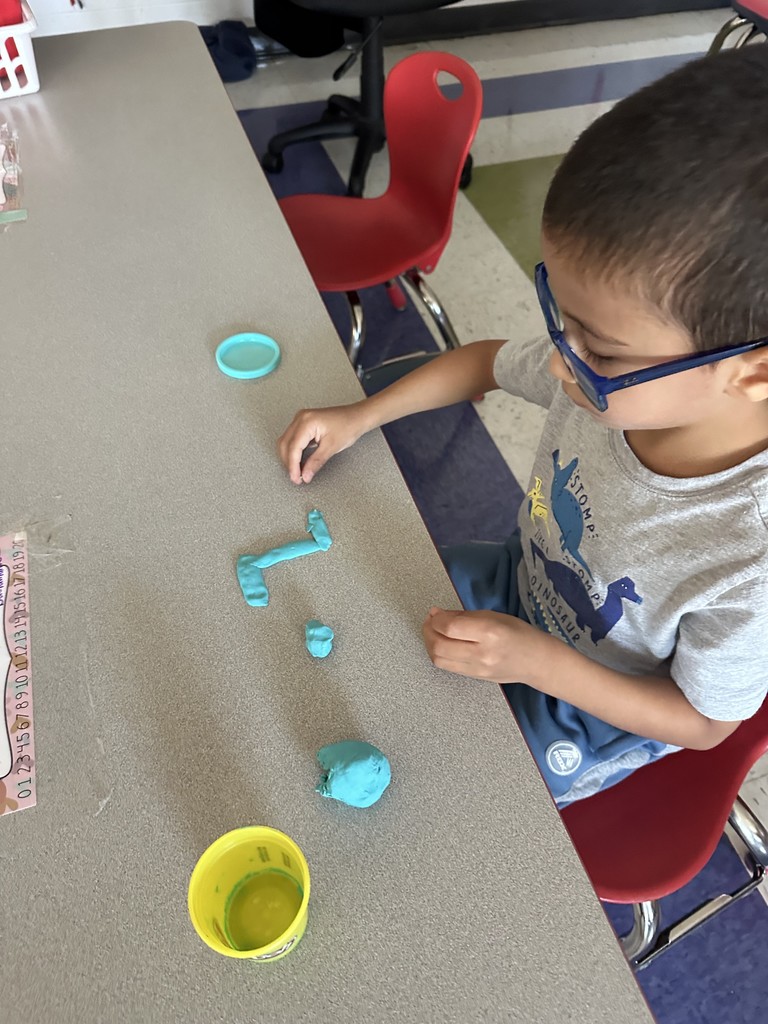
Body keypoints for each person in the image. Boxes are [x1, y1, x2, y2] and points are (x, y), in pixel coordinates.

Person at [277, 45, 768, 805]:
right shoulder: (602, 376)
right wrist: (360, 415)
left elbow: (703, 723)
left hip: (593, 706)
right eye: (560, 316)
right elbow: (483, 363)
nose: (563, 362)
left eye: (600, 349)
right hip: (518, 583)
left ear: (752, 373)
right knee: (373, 611)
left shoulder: (748, 551)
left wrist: (536, 662)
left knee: (457, 799)